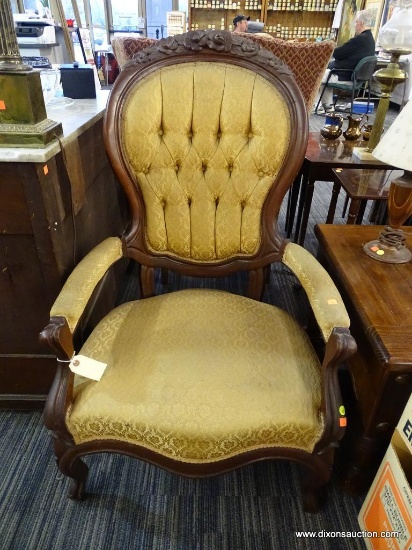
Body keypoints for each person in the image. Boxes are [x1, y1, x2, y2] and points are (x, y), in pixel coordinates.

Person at [316, 10, 375, 113]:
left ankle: (317, 107)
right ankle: (327, 106)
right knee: (324, 74)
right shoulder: (369, 39)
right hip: (356, 76)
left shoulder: (359, 39)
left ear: (360, 23)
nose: (354, 26)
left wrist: (328, 46)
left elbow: (337, 53)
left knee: (317, 75)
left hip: (346, 75)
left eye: (355, 23)